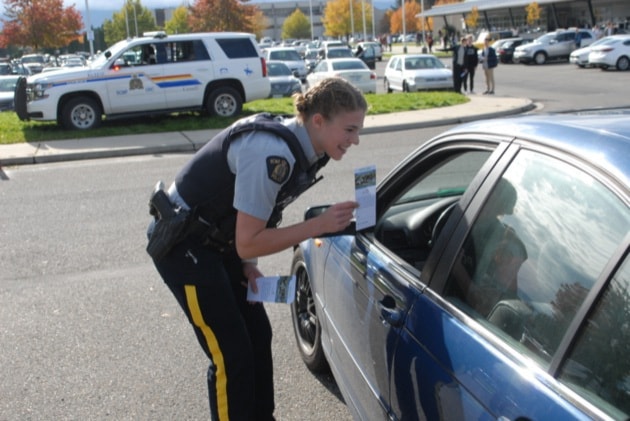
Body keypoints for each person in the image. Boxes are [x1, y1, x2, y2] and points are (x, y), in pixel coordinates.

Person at [147, 77, 367, 420]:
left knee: (257, 335)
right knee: (230, 353)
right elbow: (249, 236)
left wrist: (247, 264)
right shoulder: (272, 153)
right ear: (319, 121)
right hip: (184, 248)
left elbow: (253, 216)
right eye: (350, 129)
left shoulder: (307, 147)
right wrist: (317, 226)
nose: (356, 139)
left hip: (220, 244)